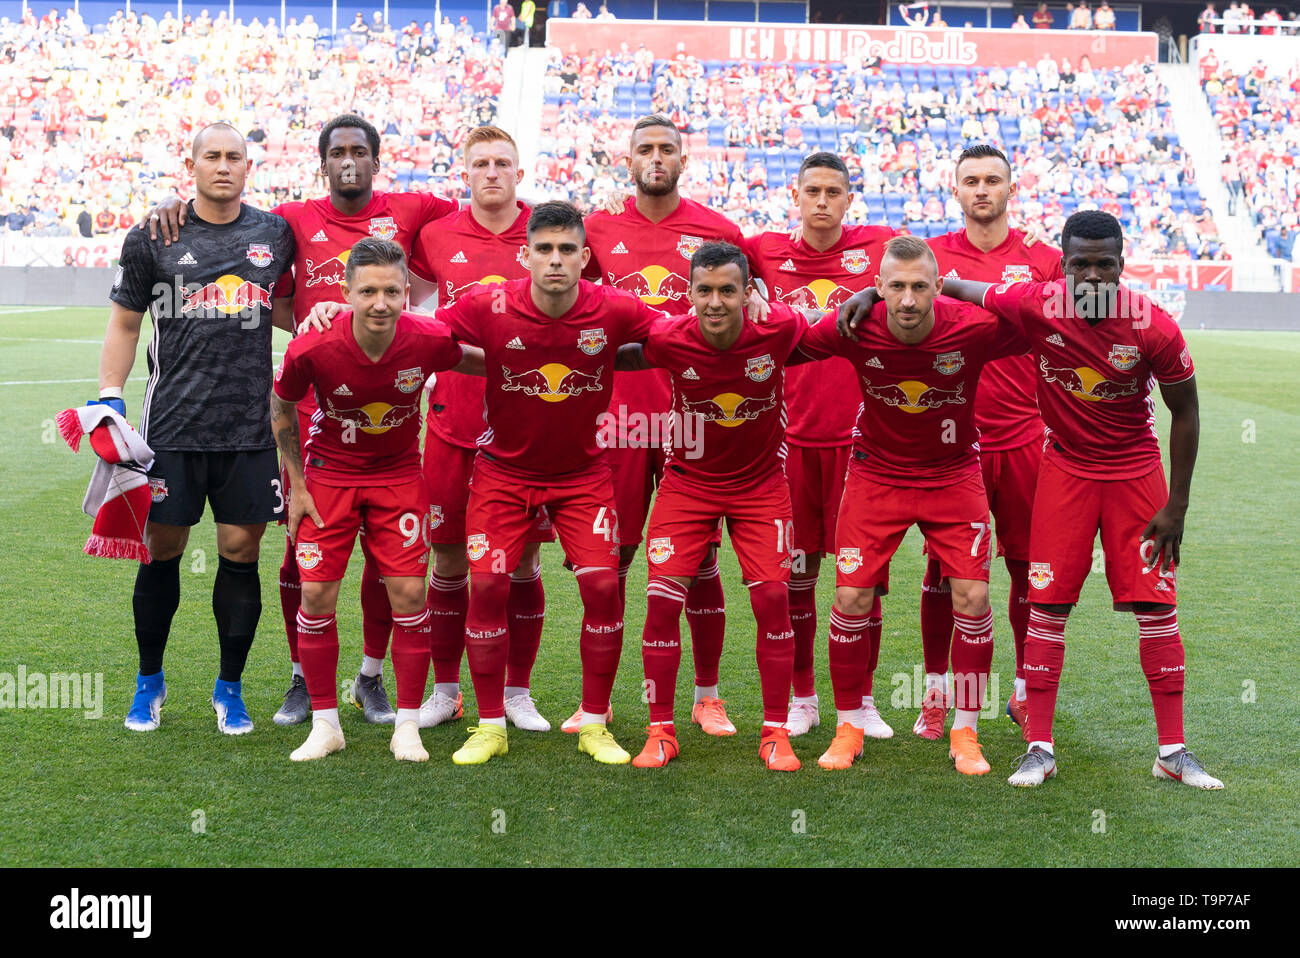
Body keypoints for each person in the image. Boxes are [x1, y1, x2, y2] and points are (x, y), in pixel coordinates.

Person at [141, 115, 462, 726]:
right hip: (307, 415)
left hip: (386, 416)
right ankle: (300, 676)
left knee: (387, 559)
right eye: (337, 152)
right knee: (298, 554)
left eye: (359, 151)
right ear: (322, 163)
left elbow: (484, 213)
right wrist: (172, 203)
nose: (348, 161)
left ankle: (370, 676)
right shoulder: (290, 218)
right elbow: (235, 229)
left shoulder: (417, 208)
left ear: (376, 159)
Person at [910, 211, 1223, 790]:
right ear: (1064, 265)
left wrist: (1177, 506)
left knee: (1156, 607)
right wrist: (869, 300)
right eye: (1081, 264)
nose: (1094, 275)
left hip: (1136, 473)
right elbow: (958, 286)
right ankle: (1039, 747)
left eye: (1106, 263)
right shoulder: (1036, 302)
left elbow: (1187, 412)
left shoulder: (1153, 325)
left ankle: (1173, 750)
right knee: (1047, 604)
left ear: (1122, 265)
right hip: (1065, 471)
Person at [433, 201, 666, 766]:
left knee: (603, 589)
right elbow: (422, 335)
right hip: (502, 475)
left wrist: (752, 304)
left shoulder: (613, 307)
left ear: (585, 258)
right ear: (526, 256)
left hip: (584, 477)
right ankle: (489, 725)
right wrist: (335, 316)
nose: (556, 260)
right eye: (545, 249)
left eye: (567, 250)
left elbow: (674, 334)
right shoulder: (487, 305)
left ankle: (594, 723)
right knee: (487, 587)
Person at [799, 236, 1029, 774]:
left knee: (972, 596)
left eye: (919, 287)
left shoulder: (972, 328)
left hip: (953, 474)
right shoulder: (855, 327)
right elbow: (784, 340)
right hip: (876, 473)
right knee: (853, 597)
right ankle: (849, 724)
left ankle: (966, 732)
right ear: (878, 289)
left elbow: (1038, 319)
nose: (907, 300)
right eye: (895, 287)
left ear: (938, 286)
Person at [100, 123, 296, 735]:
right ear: (191, 164)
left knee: (241, 555)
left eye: (233, 156)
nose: (222, 165)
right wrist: (109, 399)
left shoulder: (274, 233)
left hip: (249, 432)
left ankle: (229, 689)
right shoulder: (153, 235)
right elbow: (126, 322)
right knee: (164, 552)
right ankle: (148, 683)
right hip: (172, 430)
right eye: (211, 156)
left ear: (248, 166)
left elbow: (295, 304)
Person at [271, 238, 482, 762]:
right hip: (329, 477)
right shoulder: (312, 345)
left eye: (392, 291)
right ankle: (325, 724)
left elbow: (479, 361)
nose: (380, 303)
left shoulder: (427, 337)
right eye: (367, 291)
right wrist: (296, 485)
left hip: (398, 477)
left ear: (407, 293)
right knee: (317, 596)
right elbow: (280, 405)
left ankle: (406, 726)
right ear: (346, 292)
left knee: (410, 597)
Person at [580, 114, 747, 737]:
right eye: (645, 149)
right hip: (617, 413)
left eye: (667, 149)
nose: (656, 158)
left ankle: (706, 697)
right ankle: (597, 702)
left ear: (684, 159)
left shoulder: (719, 232)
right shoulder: (595, 229)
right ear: (628, 160)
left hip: (691, 417)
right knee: (612, 559)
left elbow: (746, 309)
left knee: (699, 558)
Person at [619, 243, 803, 771]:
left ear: (749, 292)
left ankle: (775, 732)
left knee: (773, 601)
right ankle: (660, 730)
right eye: (704, 291)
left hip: (761, 486)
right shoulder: (668, 336)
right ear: (690, 293)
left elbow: (829, 323)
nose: (716, 302)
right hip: (688, 484)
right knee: (660, 603)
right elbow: (606, 342)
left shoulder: (779, 328)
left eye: (728, 290)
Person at [740, 152, 896, 740]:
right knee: (797, 575)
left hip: (863, 445)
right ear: (796, 196)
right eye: (813, 191)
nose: (823, 201)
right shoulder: (764, 251)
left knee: (864, 581)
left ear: (849, 199)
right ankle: (804, 696)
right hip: (789, 444)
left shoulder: (879, 248)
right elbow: (715, 258)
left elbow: (930, 271)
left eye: (834, 191)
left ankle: (860, 698)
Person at [407, 127, 555, 733]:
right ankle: (446, 688)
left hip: (528, 430)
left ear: (520, 173)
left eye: (502, 163)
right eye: (481, 164)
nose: (491, 172)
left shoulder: (546, 232)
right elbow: (415, 311)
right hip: (452, 421)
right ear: (464, 172)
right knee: (447, 561)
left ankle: (517, 691)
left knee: (518, 564)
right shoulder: (436, 236)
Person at [916, 144, 1064, 743]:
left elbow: (1067, 339)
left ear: (1011, 187)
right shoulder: (930, 257)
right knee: (942, 575)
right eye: (971, 181)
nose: (982, 190)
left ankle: (1027, 692)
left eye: (992, 181)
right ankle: (937, 692)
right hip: (953, 444)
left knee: (1029, 568)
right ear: (956, 189)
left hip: (1026, 436)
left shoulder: (1043, 260)